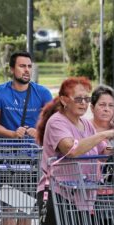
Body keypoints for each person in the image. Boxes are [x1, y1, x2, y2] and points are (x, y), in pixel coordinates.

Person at [36, 77, 114, 225]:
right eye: (78, 99)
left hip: (80, 195)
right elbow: (70, 149)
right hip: (55, 194)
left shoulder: (86, 124)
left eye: (86, 98)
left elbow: (103, 152)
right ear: (64, 100)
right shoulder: (56, 122)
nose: (83, 103)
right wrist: (104, 134)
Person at [0, 51, 52, 139]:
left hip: (35, 150)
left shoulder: (43, 92)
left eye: (29, 66)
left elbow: (54, 122)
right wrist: (13, 134)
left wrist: (39, 133)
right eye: (22, 66)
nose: (27, 70)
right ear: (12, 69)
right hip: (6, 151)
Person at [89, 85, 114, 225]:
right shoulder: (85, 128)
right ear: (92, 108)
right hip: (89, 193)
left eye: (111, 105)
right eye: (102, 105)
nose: (107, 109)